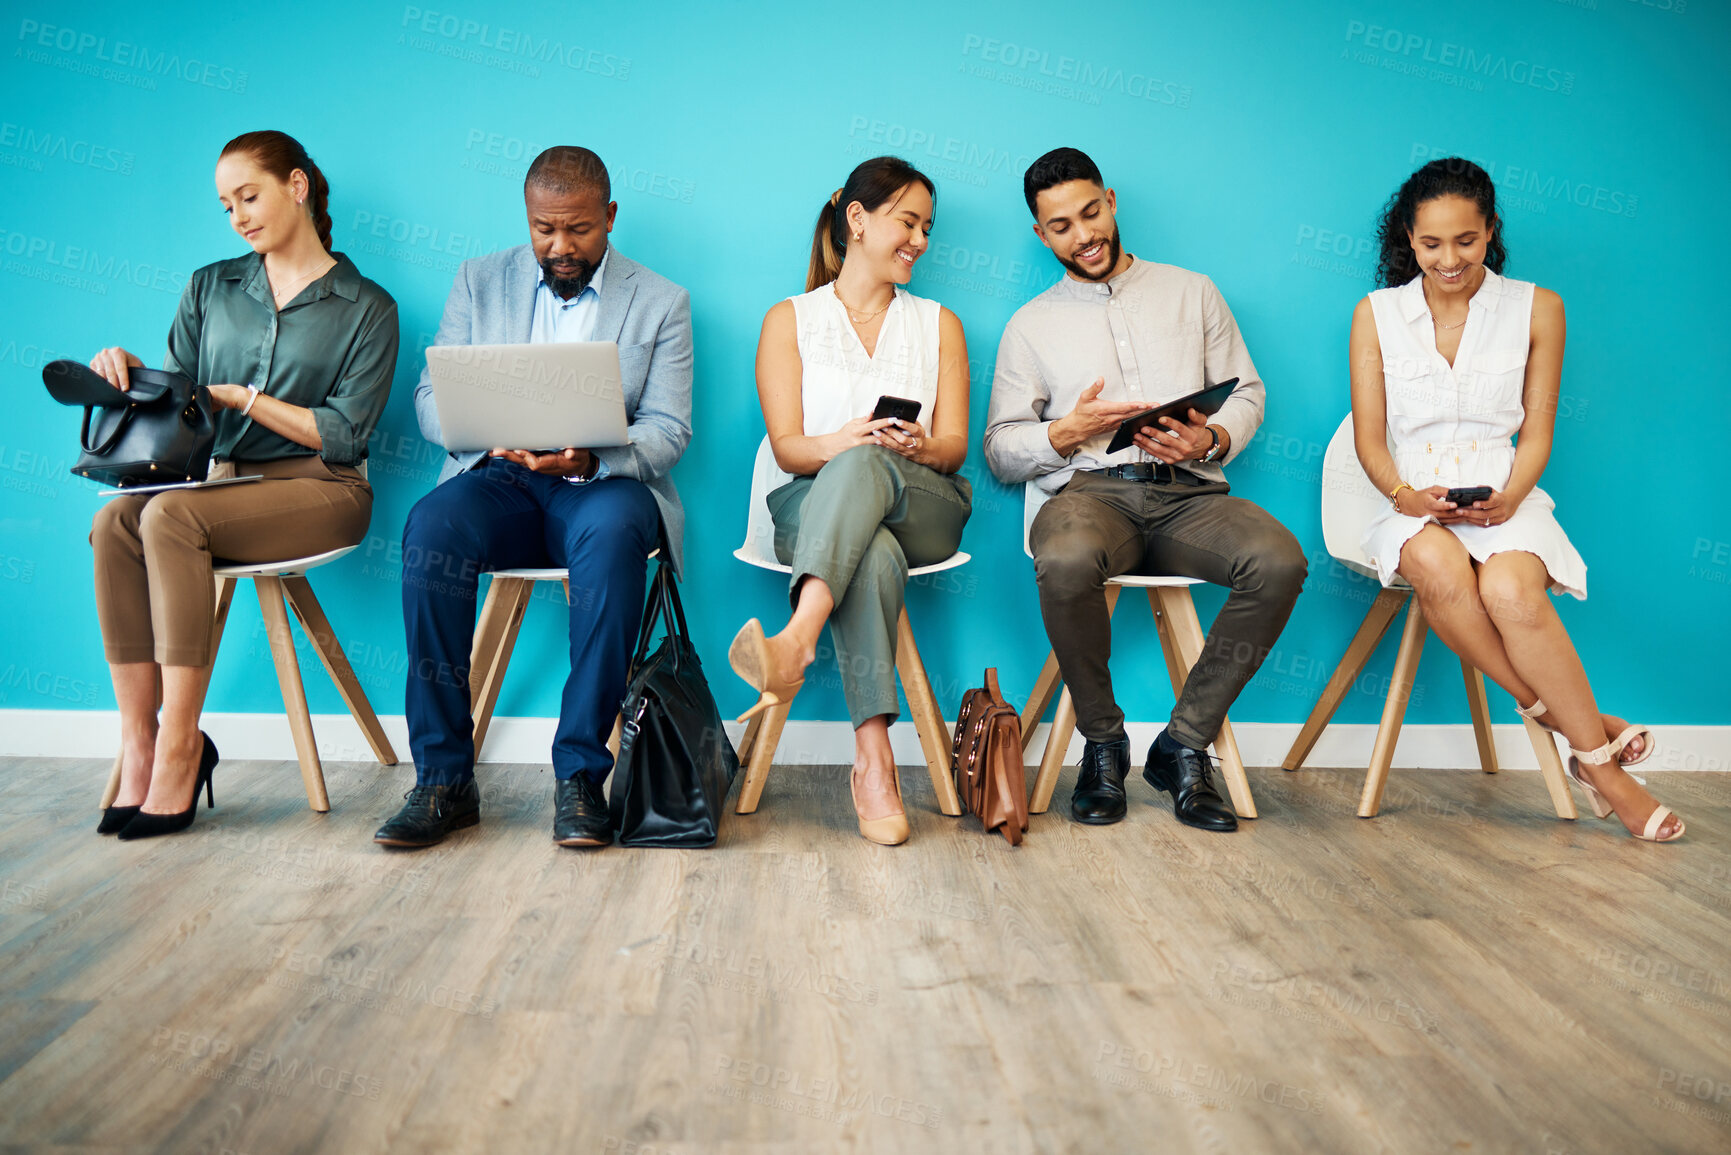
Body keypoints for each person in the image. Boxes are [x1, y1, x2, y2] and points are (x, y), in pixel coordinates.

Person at [1351, 157, 1680, 842]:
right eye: (1430, 243)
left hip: (1506, 492)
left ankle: (1580, 741)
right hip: (1411, 501)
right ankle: (1600, 759)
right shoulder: (1375, 314)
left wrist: (1509, 497)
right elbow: (1369, 441)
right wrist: (1408, 495)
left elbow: (1537, 430)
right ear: (1407, 239)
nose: (1448, 259)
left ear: (1489, 230)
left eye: (1465, 241)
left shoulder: (1538, 306)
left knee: (1509, 590)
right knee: (1440, 569)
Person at [373, 146, 692, 851]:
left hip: (599, 486)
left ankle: (580, 777)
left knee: (612, 540)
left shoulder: (662, 300)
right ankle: (443, 779)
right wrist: (489, 437)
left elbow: (670, 431)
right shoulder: (479, 280)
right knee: (430, 527)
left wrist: (589, 456)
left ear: (609, 217)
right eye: (543, 229)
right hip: (501, 480)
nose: (559, 246)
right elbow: (431, 399)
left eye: (577, 229)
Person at [87, 130, 398, 840]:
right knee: (114, 523)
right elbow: (180, 413)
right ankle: (139, 740)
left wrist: (248, 399)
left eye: (248, 196)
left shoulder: (368, 306)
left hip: (324, 487)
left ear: (297, 186)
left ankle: (181, 744)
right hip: (218, 484)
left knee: (167, 519)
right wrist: (134, 376)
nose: (238, 218)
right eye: (226, 206)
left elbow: (348, 434)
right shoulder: (210, 286)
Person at [984, 147, 1306, 833]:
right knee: (1064, 561)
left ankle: (1183, 745)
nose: (1083, 235)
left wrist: (1209, 441)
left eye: (1090, 213)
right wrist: (1063, 432)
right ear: (1041, 235)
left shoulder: (1193, 291)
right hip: (1089, 499)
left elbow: (1247, 392)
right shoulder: (1028, 325)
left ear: (1111, 200)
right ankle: (1102, 742)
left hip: (1191, 495)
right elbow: (999, 449)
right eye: (1061, 225)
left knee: (1278, 560)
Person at [729, 156, 972, 846]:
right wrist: (842, 441)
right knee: (871, 551)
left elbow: (954, 447)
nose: (920, 240)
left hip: (924, 501)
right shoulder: (790, 320)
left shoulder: (938, 324)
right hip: (806, 508)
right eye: (907, 222)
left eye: (927, 227)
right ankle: (873, 764)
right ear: (858, 220)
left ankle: (795, 640)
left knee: (871, 471)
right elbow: (787, 450)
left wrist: (915, 445)